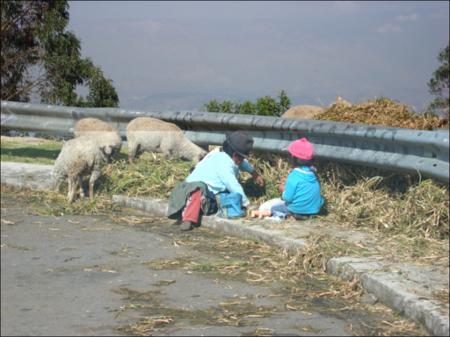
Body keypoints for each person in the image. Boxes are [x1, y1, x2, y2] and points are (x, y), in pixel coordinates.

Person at [167, 131, 265, 231]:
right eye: (242, 158)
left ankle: (191, 210)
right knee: (198, 192)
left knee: (216, 195)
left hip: (197, 190)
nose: (242, 161)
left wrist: (254, 174)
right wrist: (247, 204)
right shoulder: (225, 164)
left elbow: (243, 164)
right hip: (196, 190)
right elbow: (233, 185)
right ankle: (188, 219)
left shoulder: (219, 154)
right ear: (236, 156)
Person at [270, 137, 324, 219]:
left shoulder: (294, 175)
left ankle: (284, 216)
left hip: (297, 210)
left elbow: (287, 198)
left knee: (274, 208)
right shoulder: (313, 173)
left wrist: (283, 190)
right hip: (315, 210)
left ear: (292, 158)